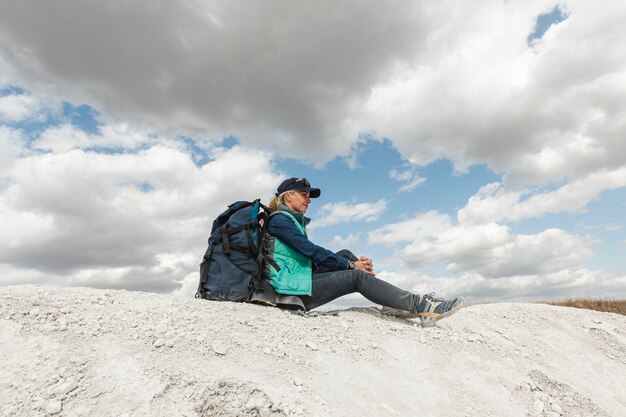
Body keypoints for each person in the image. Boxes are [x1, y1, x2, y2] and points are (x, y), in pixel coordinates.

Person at [263, 177, 463, 327]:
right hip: (286, 293)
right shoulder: (280, 220)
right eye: (304, 195)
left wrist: (350, 261)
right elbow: (310, 251)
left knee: (345, 253)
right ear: (288, 196)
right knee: (356, 276)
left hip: (295, 280)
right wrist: (351, 266)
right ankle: (420, 306)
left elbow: (307, 256)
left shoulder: (289, 220)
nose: (309, 200)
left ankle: (393, 303)